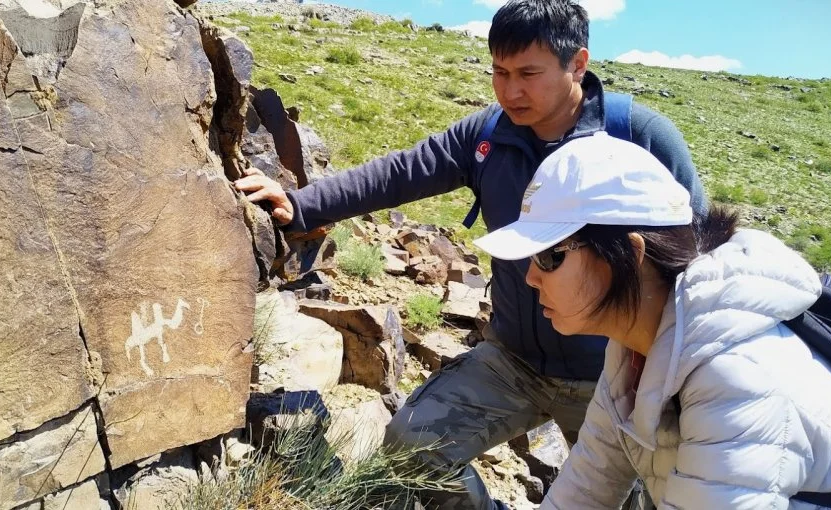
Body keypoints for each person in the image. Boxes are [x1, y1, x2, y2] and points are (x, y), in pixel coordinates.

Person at [236, 1, 707, 507]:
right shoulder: (489, 134)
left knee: (634, 499)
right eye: (500, 73)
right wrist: (303, 204)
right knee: (411, 446)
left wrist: (678, 376)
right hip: (513, 360)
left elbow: (697, 252)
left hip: (612, 373)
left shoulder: (639, 136)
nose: (511, 90)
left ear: (578, 63)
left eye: (529, 73)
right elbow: (403, 172)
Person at [473, 132, 831, 509]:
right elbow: (585, 488)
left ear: (630, 253)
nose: (531, 278)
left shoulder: (734, 378)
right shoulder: (635, 350)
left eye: (549, 257)